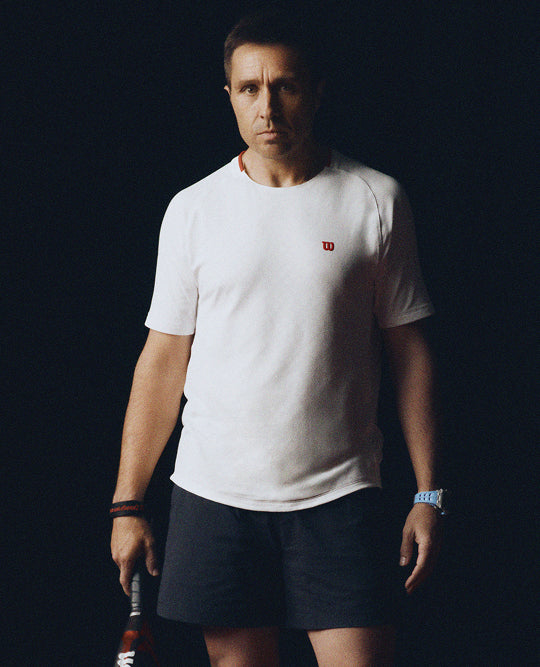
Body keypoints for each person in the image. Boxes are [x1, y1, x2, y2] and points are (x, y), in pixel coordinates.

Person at [111, 10, 446, 666]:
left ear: (316, 91)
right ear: (230, 96)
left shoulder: (376, 199)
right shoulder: (193, 210)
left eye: (285, 86)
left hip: (340, 497)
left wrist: (429, 492)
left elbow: (411, 355)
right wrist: (128, 503)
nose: (267, 107)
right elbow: (162, 361)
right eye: (249, 88)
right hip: (216, 498)